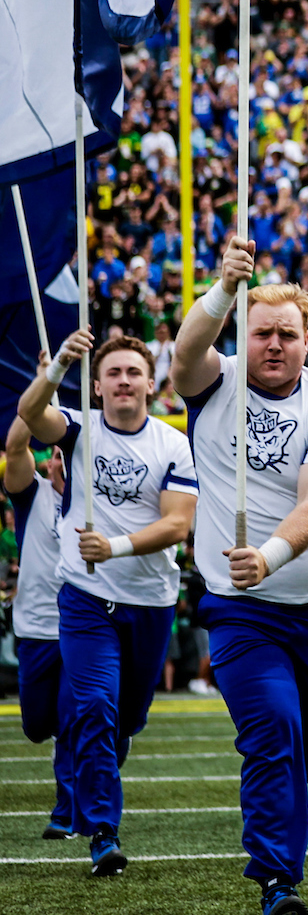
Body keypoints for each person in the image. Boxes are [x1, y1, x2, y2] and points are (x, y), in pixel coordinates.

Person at [169, 241, 308, 915]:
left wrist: (272, 553)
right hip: (241, 610)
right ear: (242, 333)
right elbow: (183, 356)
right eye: (263, 331)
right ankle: (277, 881)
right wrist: (224, 288)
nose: (275, 344)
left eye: (288, 334)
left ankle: (284, 790)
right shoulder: (212, 382)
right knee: (272, 731)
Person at [19, 329, 196, 878]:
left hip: (149, 600)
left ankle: (99, 773)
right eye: (113, 372)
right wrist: (53, 371)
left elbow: (177, 523)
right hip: (86, 599)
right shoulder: (78, 429)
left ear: (151, 383)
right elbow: (30, 418)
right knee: (93, 707)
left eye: (133, 372)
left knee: (125, 720)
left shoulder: (172, 443)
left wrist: (114, 545)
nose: (124, 381)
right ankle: (103, 831)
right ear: (96, 385)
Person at [7, 420, 72, 838]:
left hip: (85, 628)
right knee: (36, 725)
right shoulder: (33, 496)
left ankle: (66, 812)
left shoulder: (105, 501)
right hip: (34, 627)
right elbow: (15, 448)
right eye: (58, 455)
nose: (62, 463)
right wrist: (46, 383)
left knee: (73, 720)